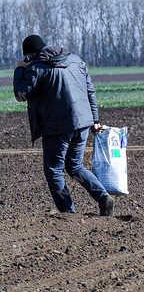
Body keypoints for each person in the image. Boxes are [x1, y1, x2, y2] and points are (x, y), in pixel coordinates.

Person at [13, 34, 115, 216]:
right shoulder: (76, 60)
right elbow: (90, 90)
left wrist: (19, 70)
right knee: (75, 166)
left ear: (30, 54)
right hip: (83, 122)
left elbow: (21, 94)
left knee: (53, 170)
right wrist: (95, 120)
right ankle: (103, 197)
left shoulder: (38, 67)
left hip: (57, 126)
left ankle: (68, 213)